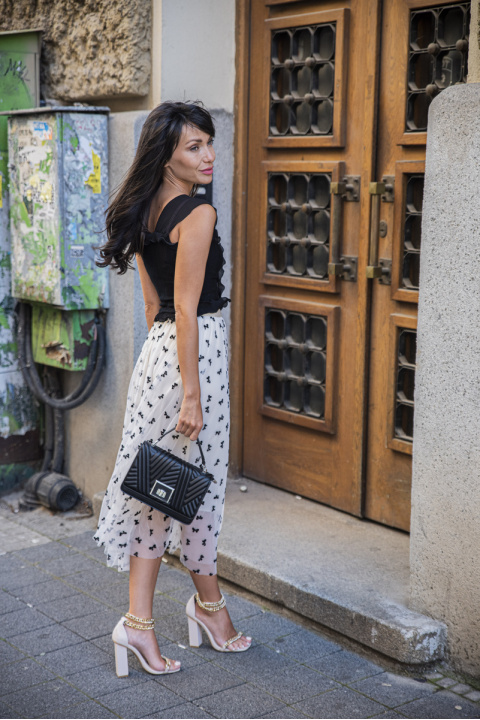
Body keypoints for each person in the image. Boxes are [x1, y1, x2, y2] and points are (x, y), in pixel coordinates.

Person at [93, 101, 251, 678]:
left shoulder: (143, 210)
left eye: (209, 142)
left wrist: (168, 378)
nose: (209, 155)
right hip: (192, 362)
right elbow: (185, 308)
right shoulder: (198, 213)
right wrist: (191, 392)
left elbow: (153, 305)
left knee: (170, 489)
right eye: (194, 146)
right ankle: (147, 622)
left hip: (158, 358)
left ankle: (204, 610)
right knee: (178, 492)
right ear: (167, 156)